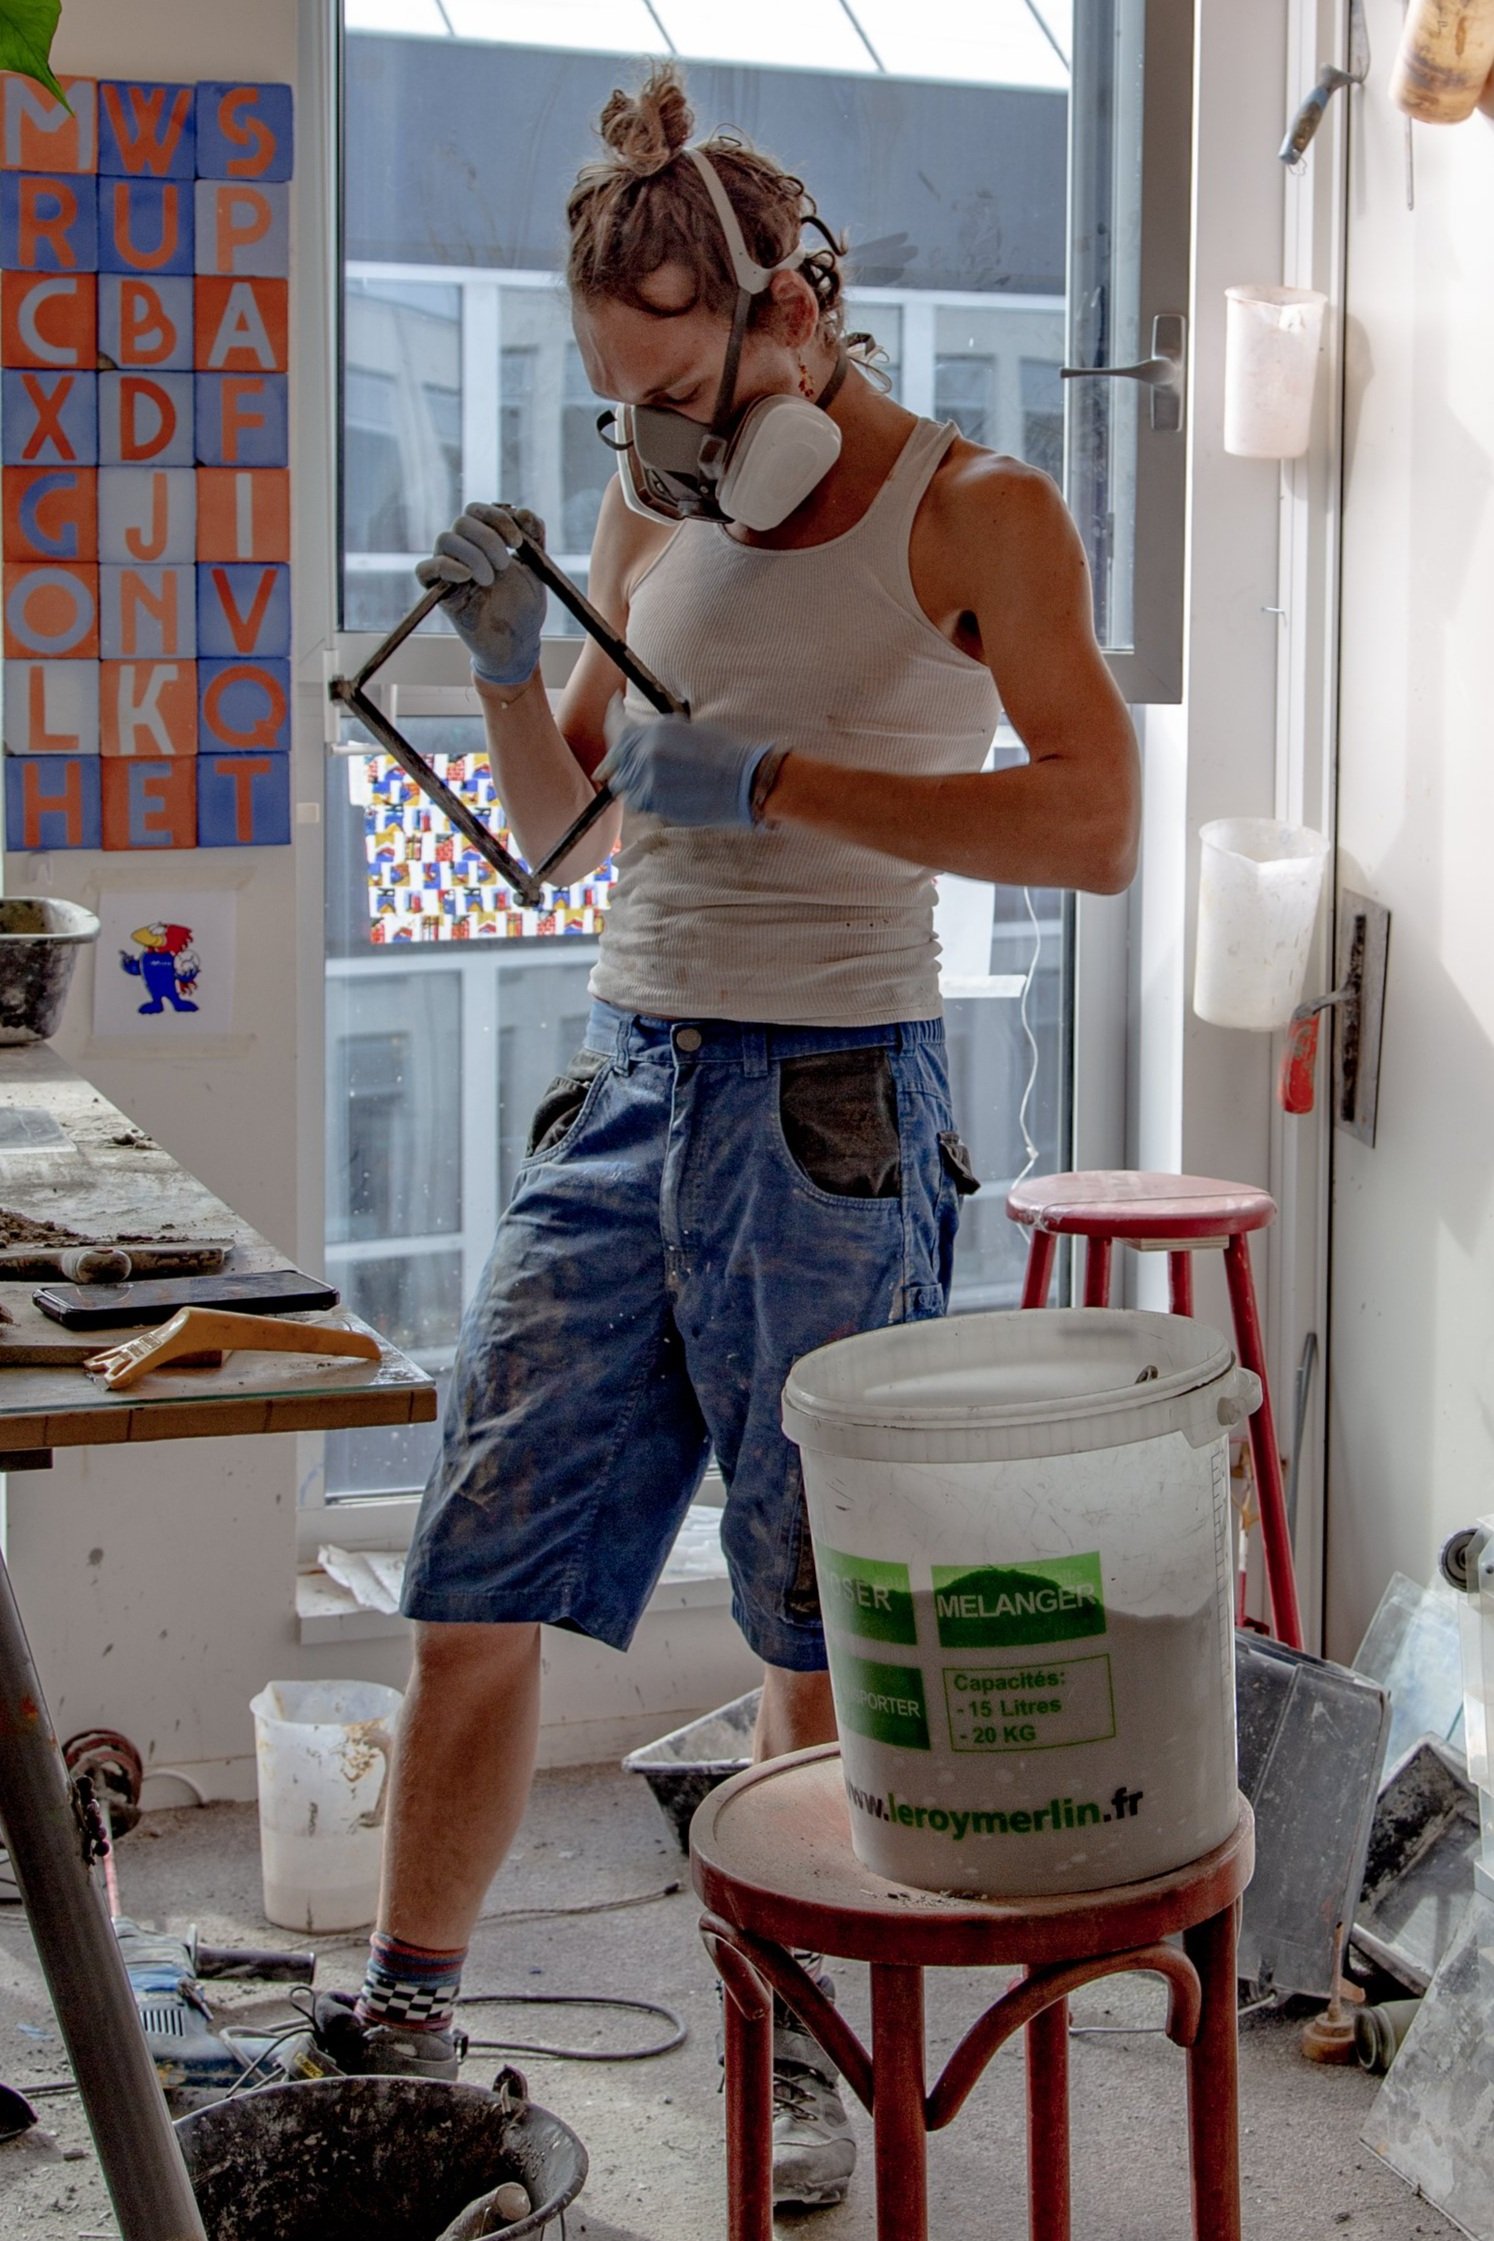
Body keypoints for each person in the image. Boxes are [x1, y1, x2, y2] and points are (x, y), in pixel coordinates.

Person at [308, 64, 1139, 2212]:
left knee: (803, 1626)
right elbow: (556, 834)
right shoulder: (653, 509)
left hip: (830, 1103)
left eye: (680, 390)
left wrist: (778, 785)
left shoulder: (975, 512)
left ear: (796, 309)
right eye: (621, 404)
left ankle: (805, 2056)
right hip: (627, 1080)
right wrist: (512, 666)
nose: (657, 441)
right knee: (477, 1569)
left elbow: (1092, 824)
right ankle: (404, 2007)